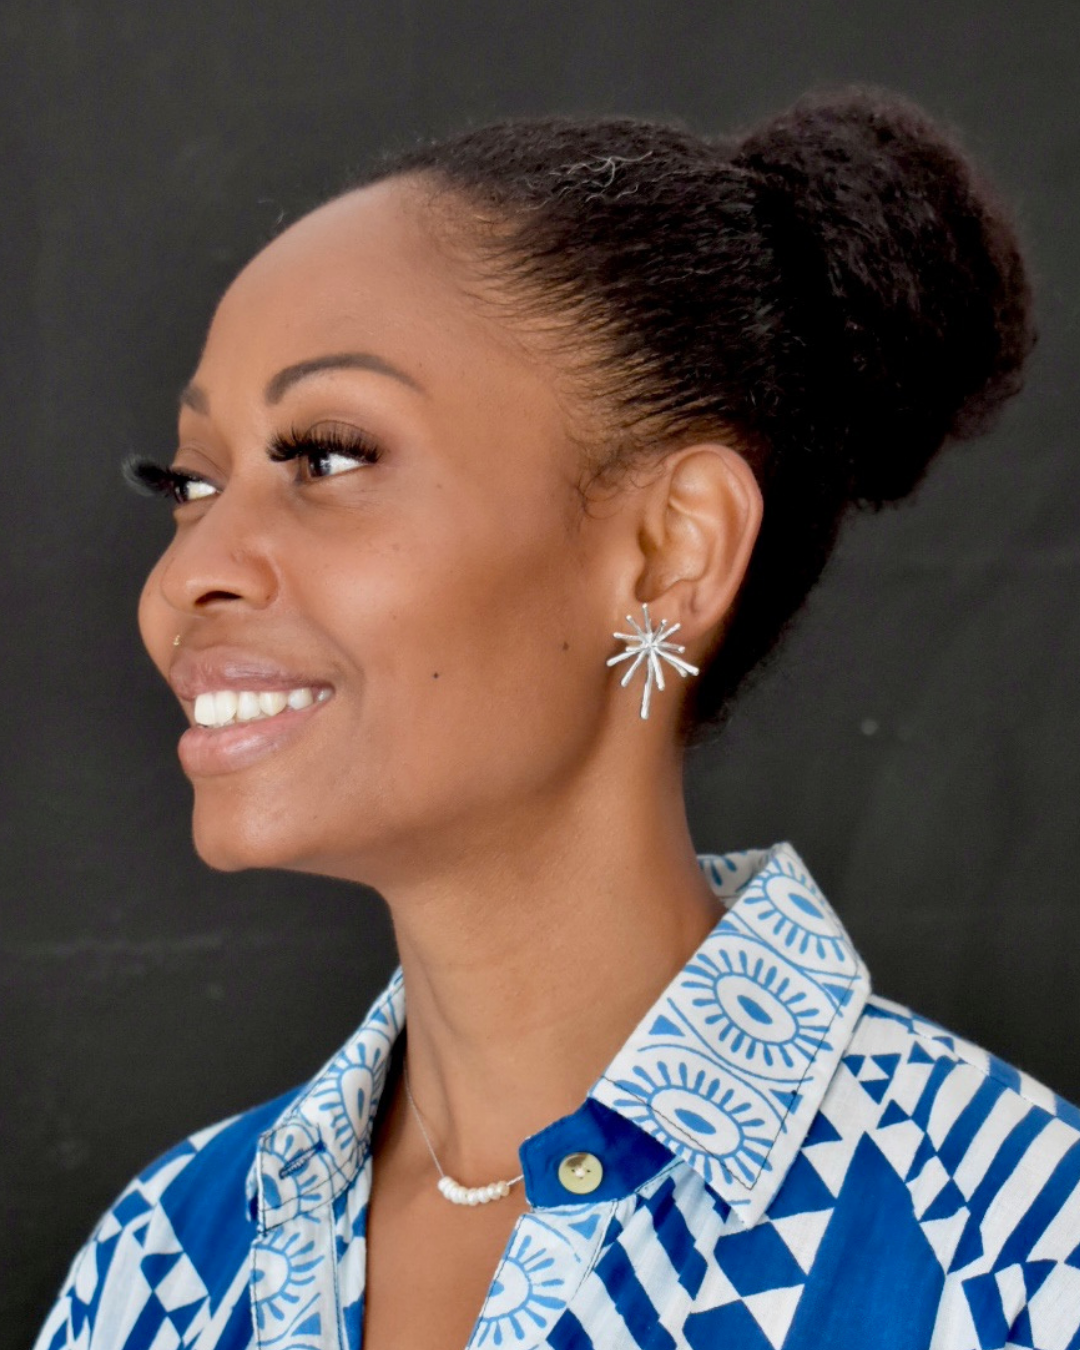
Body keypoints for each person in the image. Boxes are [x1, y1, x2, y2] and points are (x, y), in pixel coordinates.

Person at [34, 85, 1080, 1350]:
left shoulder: (1014, 1255)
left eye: (327, 455)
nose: (188, 572)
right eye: (193, 484)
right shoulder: (165, 1263)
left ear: (667, 551)